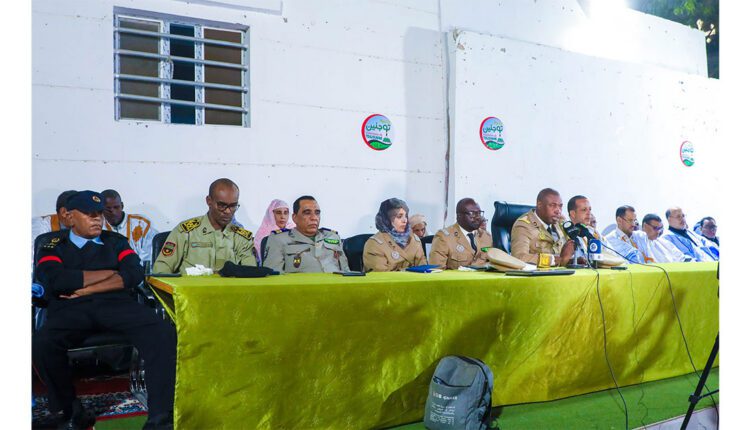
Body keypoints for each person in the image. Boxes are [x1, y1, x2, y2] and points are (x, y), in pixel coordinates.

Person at [32, 191, 176, 429]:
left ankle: (160, 417)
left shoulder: (115, 241)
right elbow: (56, 280)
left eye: (98, 214)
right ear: (69, 217)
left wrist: (87, 288)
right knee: (43, 343)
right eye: (89, 214)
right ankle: (70, 411)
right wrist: (111, 273)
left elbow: (134, 274)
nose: (97, 219)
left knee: (162, 333)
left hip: (116, 304)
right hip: (71, 307)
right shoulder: (52, 244)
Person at [153, 178, 257, 274]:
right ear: (209, 201)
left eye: (233, 206)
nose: (228, 211)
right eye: (222, 205)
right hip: (191, 288)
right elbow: (161, 270)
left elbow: (251, 274)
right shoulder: (186, 232)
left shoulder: (241, 237)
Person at [263, 195, 350, 273]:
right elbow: (273, 277)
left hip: (335, 285)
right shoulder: (278, 239)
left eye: (317, 213)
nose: (314, 218)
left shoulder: (333, 237)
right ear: (294, 218)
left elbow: (346, 272)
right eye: (307, 213)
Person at [510, 188, 575, 266]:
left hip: (559, 271)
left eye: (560, 206)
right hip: (537, 273)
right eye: (552, 205)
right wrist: (554, 260)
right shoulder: (523, 226)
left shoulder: (560, 222)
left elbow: (566, 253)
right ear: (539, 205)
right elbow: (519, 258)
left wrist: (573, 260)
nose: (558, 211)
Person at [363, 198, 427, 272]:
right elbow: (381, 275)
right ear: (387, 220)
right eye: (399, 216)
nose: (405, 220)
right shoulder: (374, 244)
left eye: (406, 216)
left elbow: (423, 269)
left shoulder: (414, 239)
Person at [429, 198, 493, 269]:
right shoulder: (443, 237)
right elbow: (436, 270)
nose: (478, 217)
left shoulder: (486, 236)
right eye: (472, 213)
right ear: (459, 215)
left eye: (479, 213)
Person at [101, 189, 158, 265]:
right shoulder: (98, 227)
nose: (113, 212)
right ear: (101, 209)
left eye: (116, 207)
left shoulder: (142, 223)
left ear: (122, 206)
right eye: (108, 209)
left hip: (139, 269)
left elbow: (150, 255)